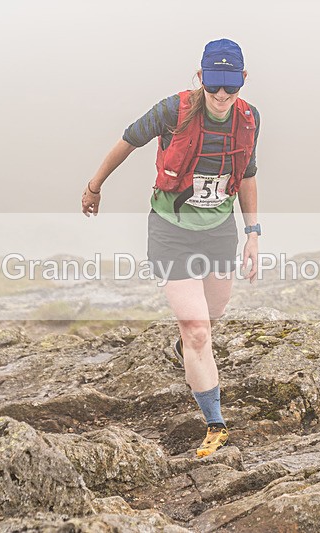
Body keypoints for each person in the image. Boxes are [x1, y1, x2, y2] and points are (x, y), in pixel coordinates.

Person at [81, 38, 261, 458]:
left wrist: (253, 232)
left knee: (211, 319)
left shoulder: (249, 120)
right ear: (200, 78)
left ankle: (185, 350)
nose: (221, 96)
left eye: (229, 87)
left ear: (242, 82)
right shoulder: (172, 111)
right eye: (213, 85)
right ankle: (215, 423)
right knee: (197, 330)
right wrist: (94, 187)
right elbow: (127, 141)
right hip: (170, 231)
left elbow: (248, 173)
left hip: (220, 231)